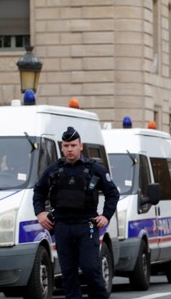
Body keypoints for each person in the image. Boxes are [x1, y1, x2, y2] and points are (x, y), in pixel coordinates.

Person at [33, 127, 119, 299]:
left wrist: (106, 216)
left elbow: (113, 193)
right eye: (66, 146)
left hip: (86, 226)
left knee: (91, 269)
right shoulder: (54, 170)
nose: (69, 149)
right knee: (68, 274)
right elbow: (38, 191)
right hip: (62, 226)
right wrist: (40, 213)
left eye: (73, 145)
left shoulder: (94, 169)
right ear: (62, 147)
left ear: (81, 146)